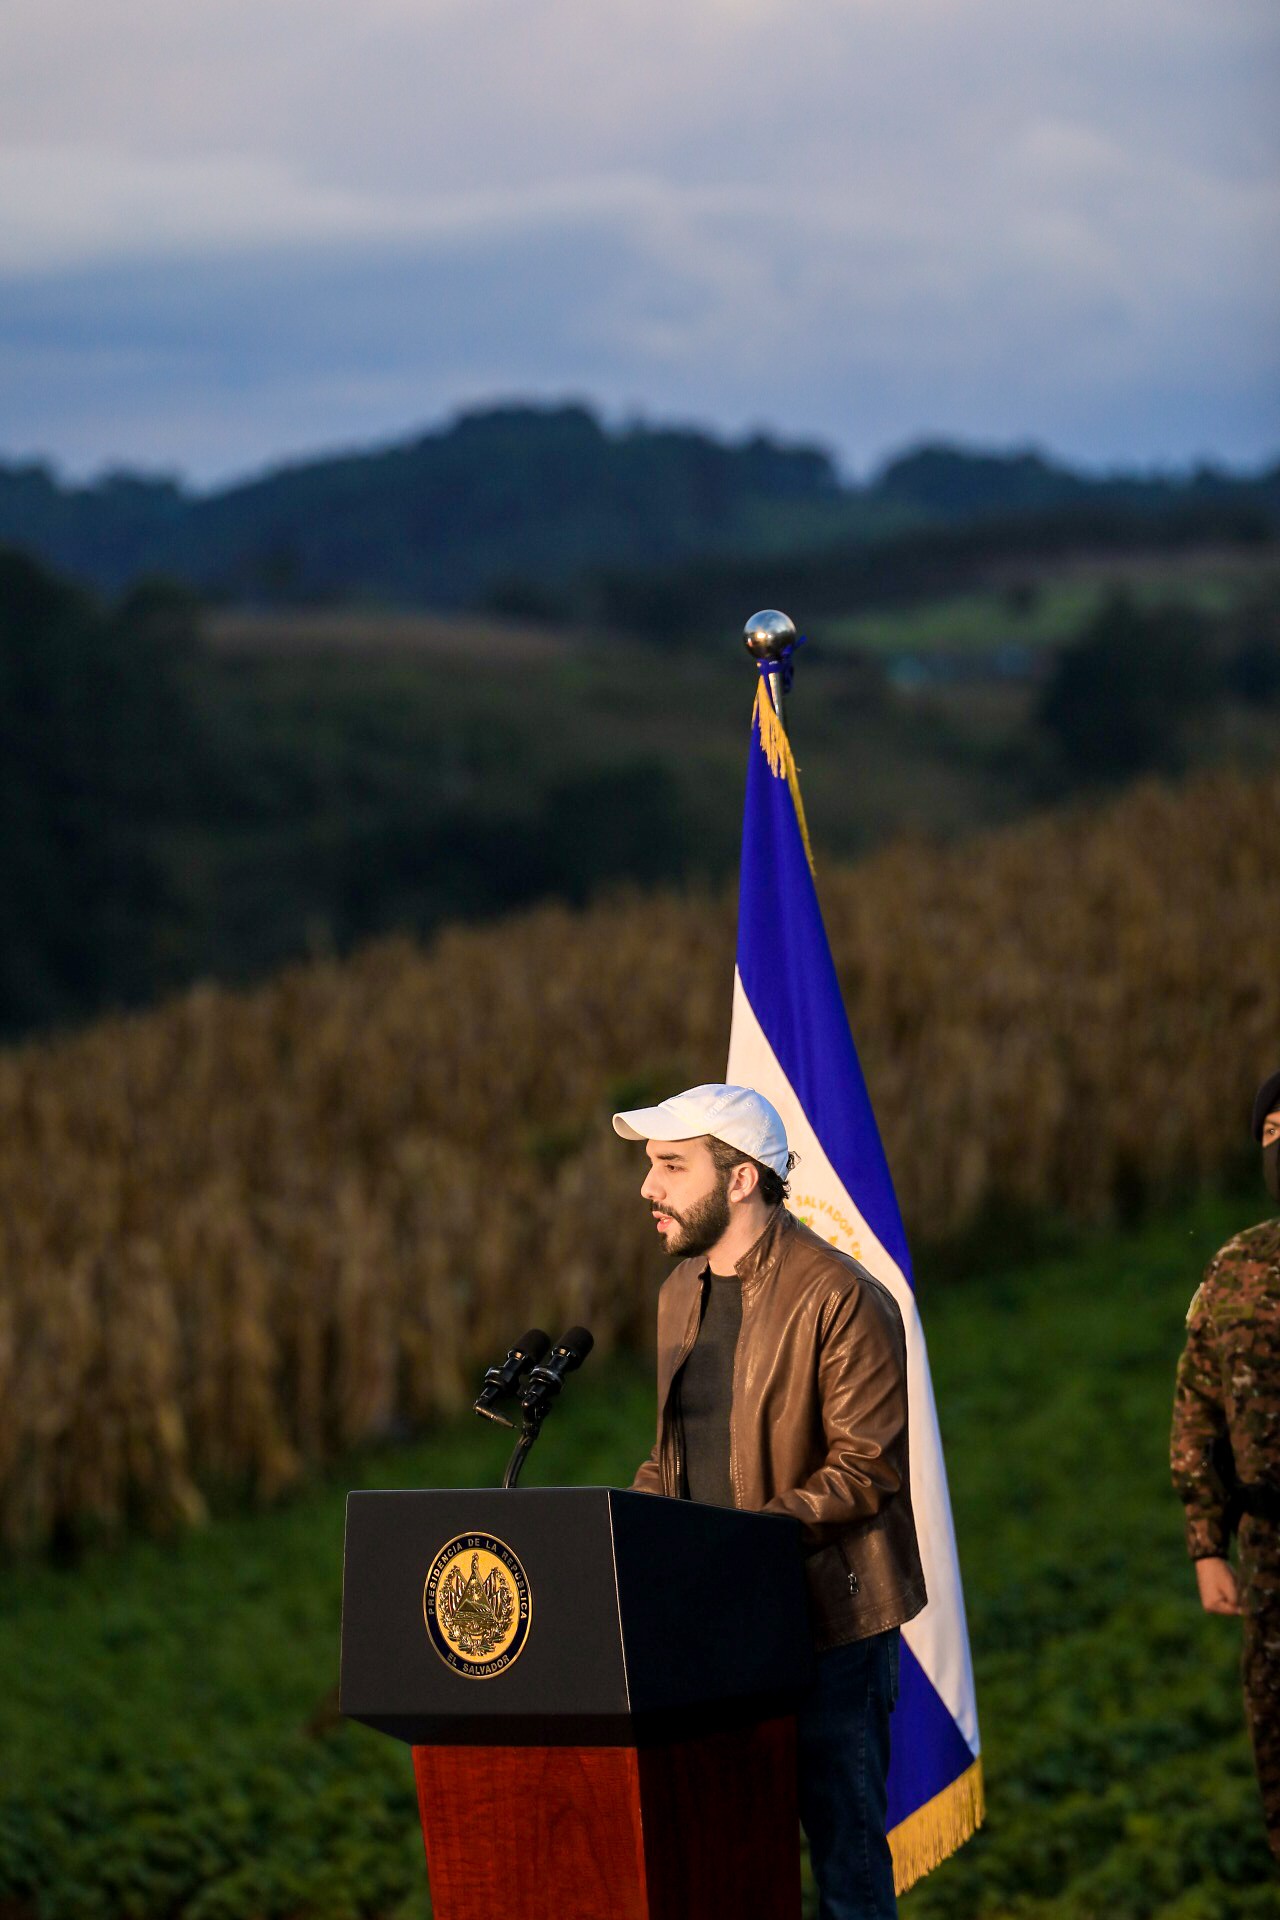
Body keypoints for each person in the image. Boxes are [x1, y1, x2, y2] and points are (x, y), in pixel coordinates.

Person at [614, 1082, 926, 1920]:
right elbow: (675, 1456)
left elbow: (865, 1469)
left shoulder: (841, 1295)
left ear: (742, 1178)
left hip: (829, 1629)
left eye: (671, 1167)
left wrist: (739, 1545)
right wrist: (619, 1534)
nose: (649, 1188)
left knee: (848, 1876)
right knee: (730, 1863)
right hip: (712, 1631)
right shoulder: (679, 1292)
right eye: (652, 1167)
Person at [1171, 1068, 1280, 1860]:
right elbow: (1198, 1408)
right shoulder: (1236, 1267)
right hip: (1269, 1560)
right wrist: (1208, 1543)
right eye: (1272, 1134)